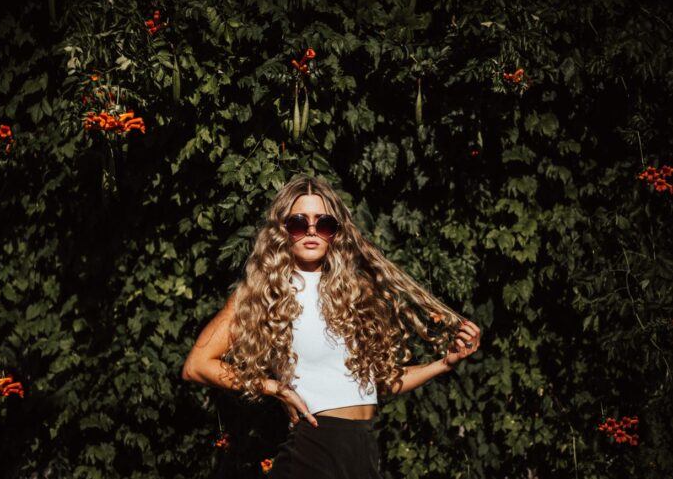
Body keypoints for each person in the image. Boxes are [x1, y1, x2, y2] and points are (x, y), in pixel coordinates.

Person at [182, 175, 481, 478]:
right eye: (299, 223)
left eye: (323, 224)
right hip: (313, 450)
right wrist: (274, 388)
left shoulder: (354, 292)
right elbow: (196, 365)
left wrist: (445, 363)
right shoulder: (264, 293)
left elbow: (380, 384)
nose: (312, 231)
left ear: (336, 233)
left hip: (361, 451)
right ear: (282, 230)